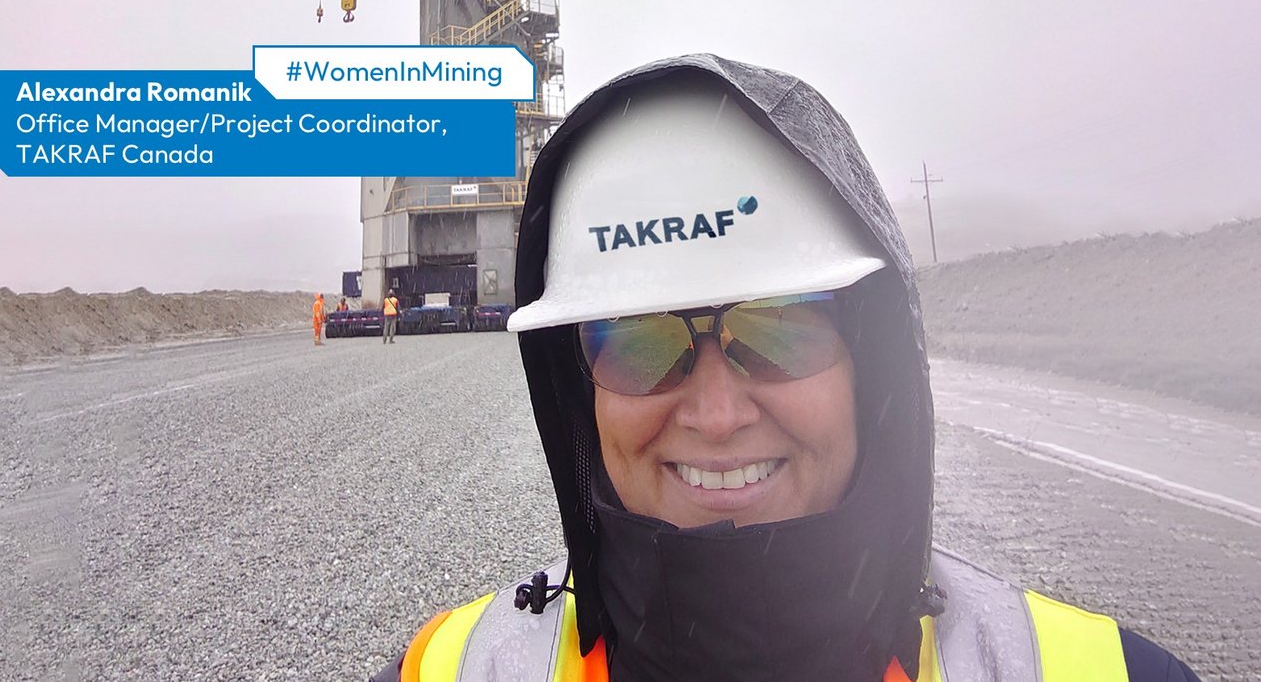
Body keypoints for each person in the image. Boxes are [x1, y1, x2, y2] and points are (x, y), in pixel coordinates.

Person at [377, 56, 1200, 681]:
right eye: (637, 341)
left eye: (781, 328)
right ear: (575, 388)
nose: (718, 412)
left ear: (870, 365)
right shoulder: (449, 666)